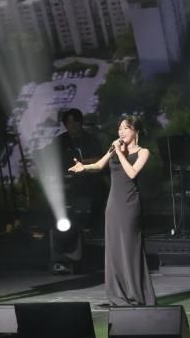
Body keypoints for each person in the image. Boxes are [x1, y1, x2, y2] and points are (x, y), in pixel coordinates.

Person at [68, 116, 156, 306]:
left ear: (135, 131)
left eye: (125, 128)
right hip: (113, 204)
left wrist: (120, 153)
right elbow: (99, 165)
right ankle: (118, 293)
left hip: (130, 204)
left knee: (130, 248)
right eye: (119, 129)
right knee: (115, 249)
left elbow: (132, 173)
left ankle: (136, 293)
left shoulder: (143, 152)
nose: (121, 132)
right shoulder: (114, 148)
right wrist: (84, 167)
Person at [55, 108, 104, 229]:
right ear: (65, 125)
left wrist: (84, 164)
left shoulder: (91, 139)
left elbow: (99, 159)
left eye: (75, 121)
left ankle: (95, 226)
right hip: (69, 181)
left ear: (81, 122)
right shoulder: (60, 141)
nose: (73, 125)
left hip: (91, 179)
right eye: (69, 122)